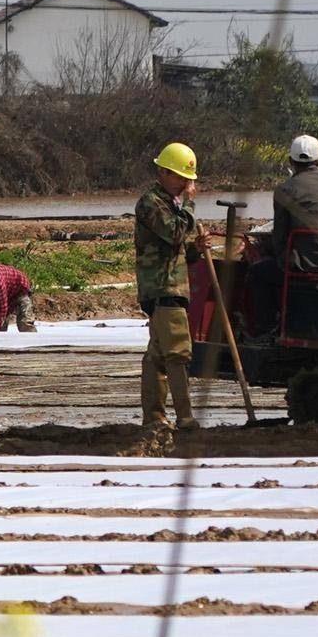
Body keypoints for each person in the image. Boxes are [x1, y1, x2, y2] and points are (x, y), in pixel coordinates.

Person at [136, 141, 202, 446]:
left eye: (187, 179)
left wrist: (194, 251)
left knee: (157, 357)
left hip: (170, 286)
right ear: (163, 172)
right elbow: (174, 232)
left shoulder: (170, 203)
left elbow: (176, 247)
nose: (186, 184)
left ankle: (154, 418)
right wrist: (189, 205)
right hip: (163, 288)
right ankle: (185, 417)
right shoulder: (152, 203)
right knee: (178, 352)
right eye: (181, 178)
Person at [258, 132, 318, 336]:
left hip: (301, 267)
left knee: (257, 273)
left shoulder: (285, 189)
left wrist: (278, 256)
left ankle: (265, 329)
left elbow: (279, 237)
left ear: (291, 161)